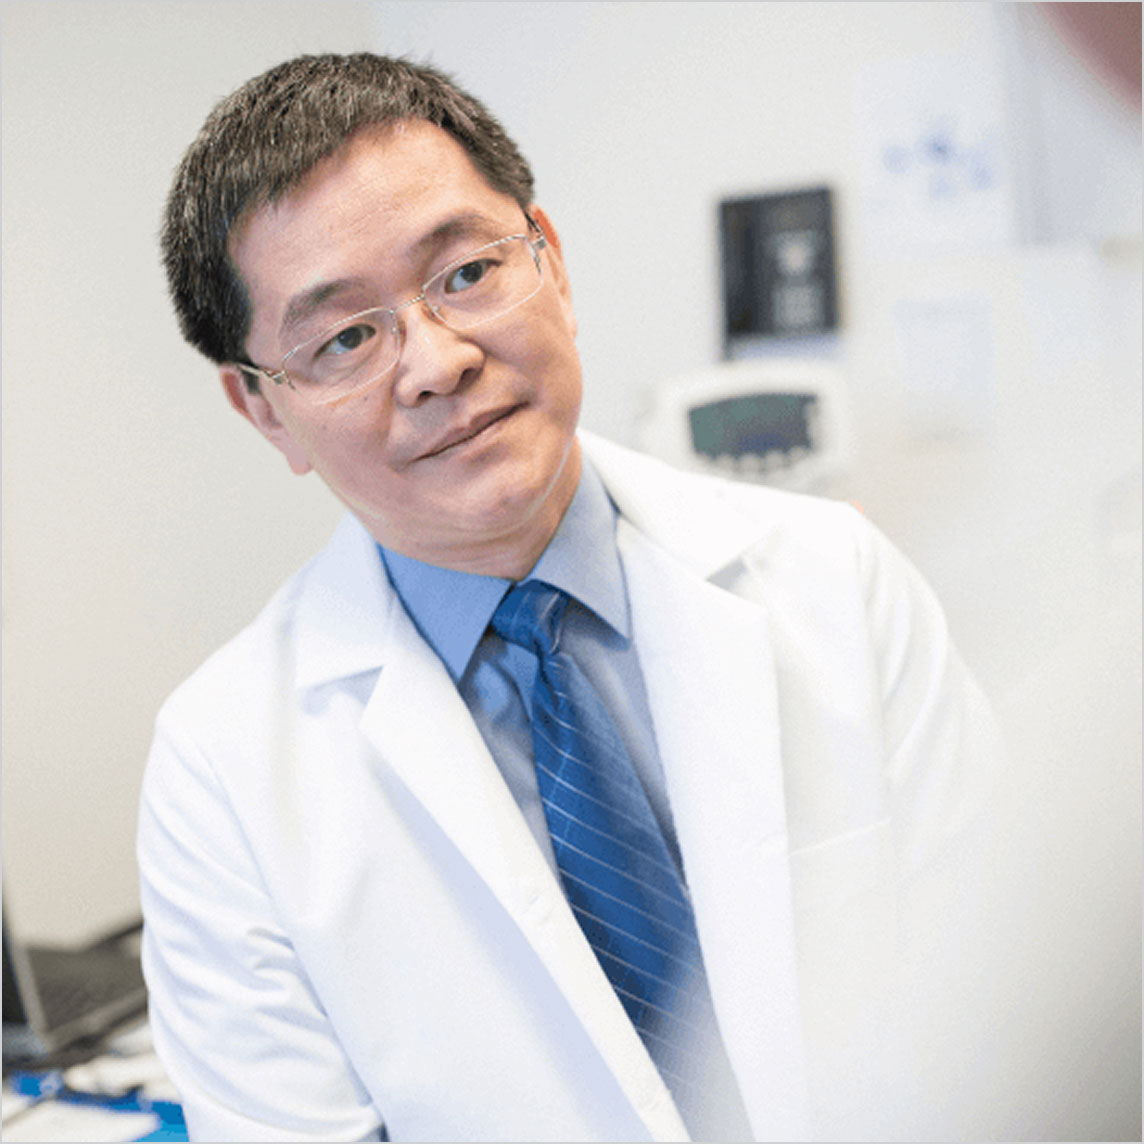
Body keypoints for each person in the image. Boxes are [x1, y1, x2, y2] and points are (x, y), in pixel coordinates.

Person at [139, 52, 1003, 1143]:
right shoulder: (221, 771)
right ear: (266, 414)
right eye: (346, 337)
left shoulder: (835, 579)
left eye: (464, 274)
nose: (436, 362)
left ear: (552, 263)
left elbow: (1014, 1013)